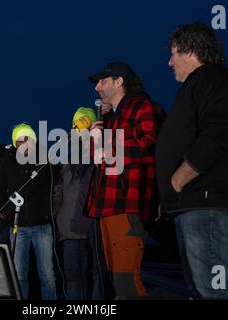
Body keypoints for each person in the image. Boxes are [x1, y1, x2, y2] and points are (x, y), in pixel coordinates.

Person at [155, 22, 228, 299]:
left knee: (213, 289)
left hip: (206, 203)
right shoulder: (197, 84)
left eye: (173, 53)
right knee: (200, 289)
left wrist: (179, 178)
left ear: (191, 50)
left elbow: (219, 131)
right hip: (191, 203)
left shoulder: (214, 78)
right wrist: (168, 194)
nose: (169, 61)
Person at [86, 62, 166, 299]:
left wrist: (107, 145)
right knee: (116, 284)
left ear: (119, 81)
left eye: (102, 81)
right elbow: (100, 159)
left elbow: (150, 144)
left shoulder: (144, 107)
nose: (97, 87)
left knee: (127, 283)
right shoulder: (111, 117)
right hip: (106, 206)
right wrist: (95, 140)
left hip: (127, 204)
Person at [53, 107, 107, 300]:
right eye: (76, 125)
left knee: (98, 276)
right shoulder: (67, 160)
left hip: (95, 226)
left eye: (84, 123)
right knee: (74, 279)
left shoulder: (102, 150)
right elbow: (59, 192)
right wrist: (57, 217)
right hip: (70, 230)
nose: (78, 130)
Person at [0, 123, 57, 300]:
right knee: (19, 274)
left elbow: (55, 183)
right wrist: (5, 209)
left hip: (42, 226)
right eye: (19, 140)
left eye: (27, 139)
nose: (23, 143)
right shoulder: (7, 162)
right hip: (18, 228)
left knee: (47, 275)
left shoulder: (45, 159)